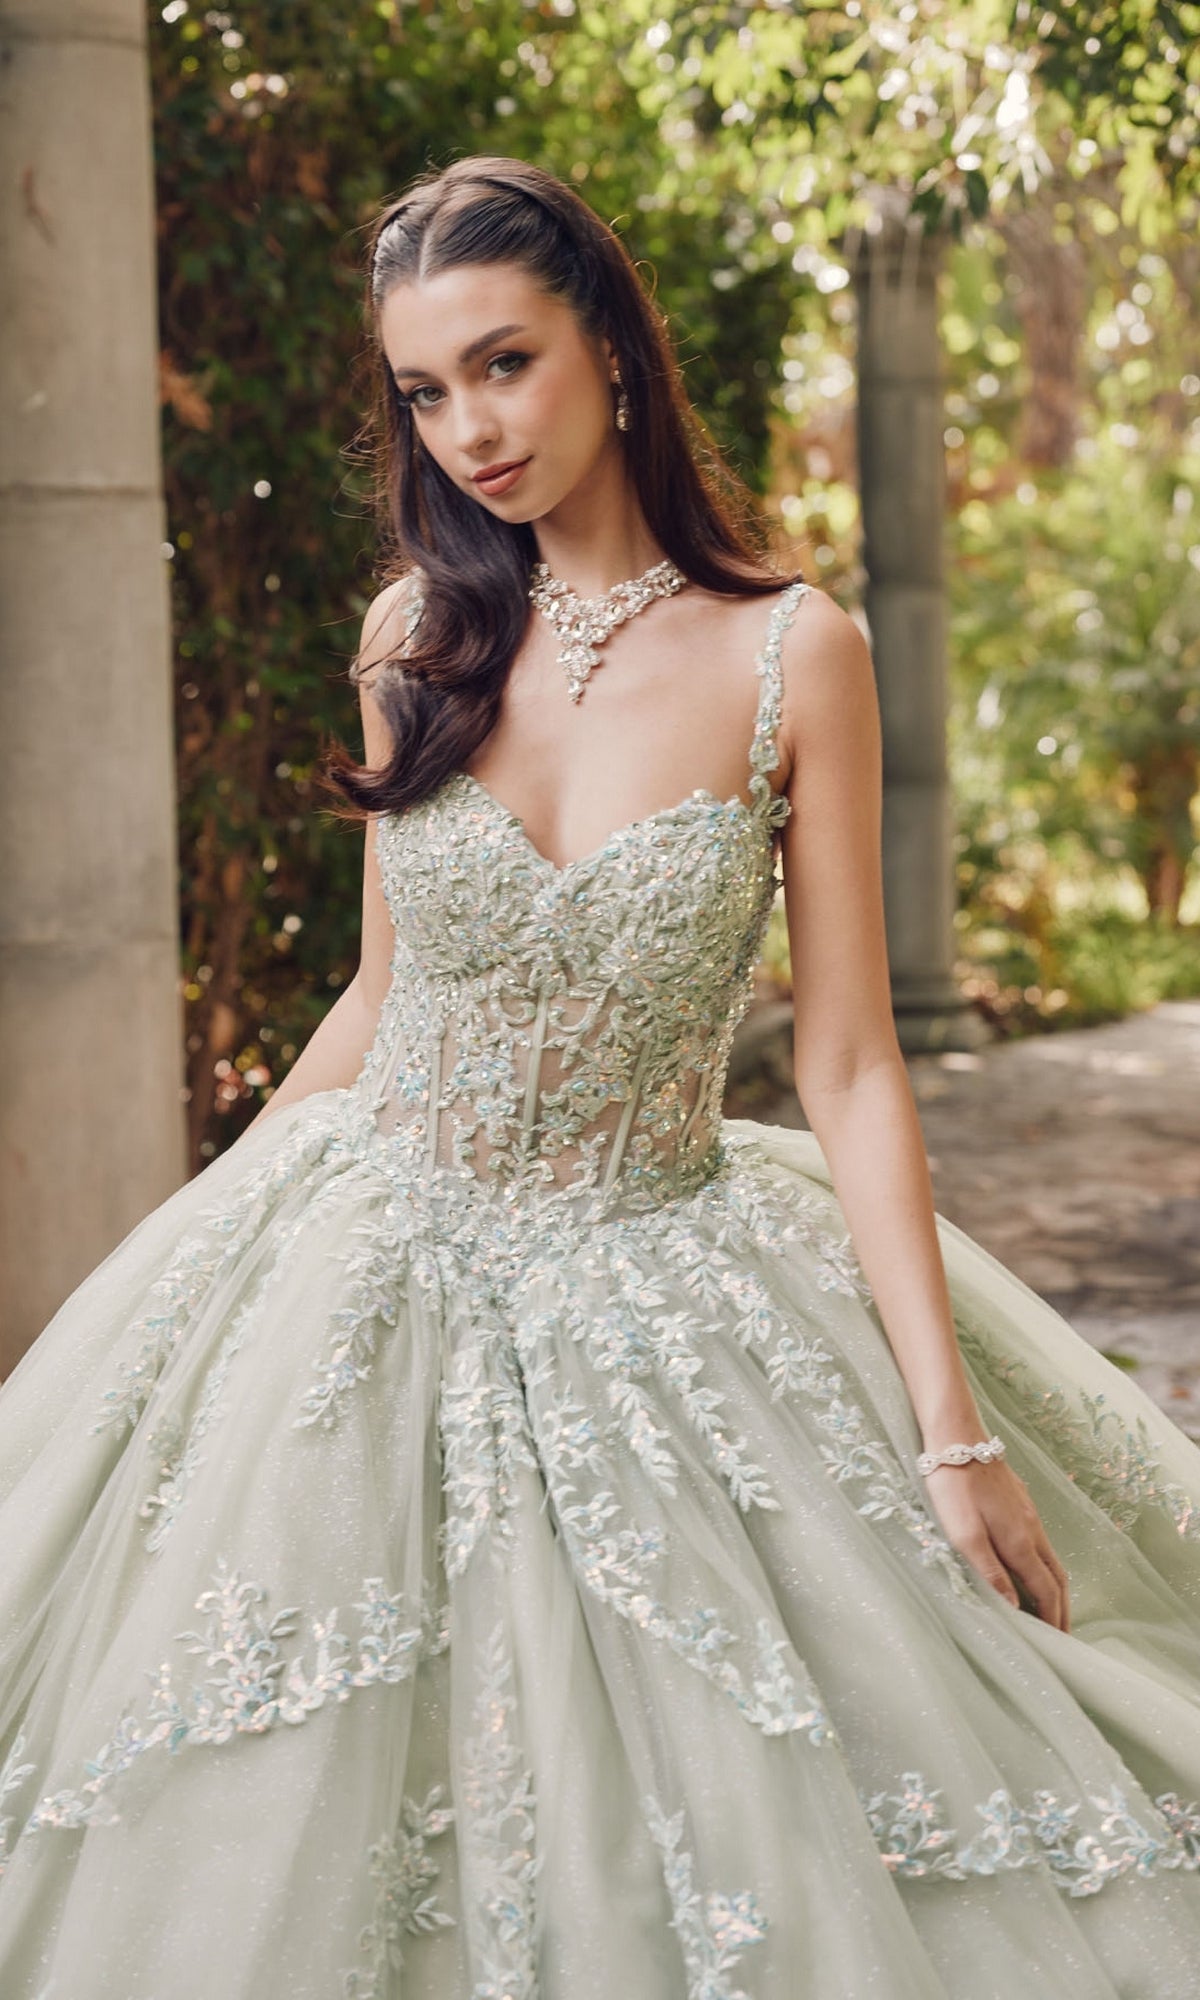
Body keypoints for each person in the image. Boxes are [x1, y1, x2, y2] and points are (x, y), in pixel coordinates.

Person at [0, 153, 1198, 2000]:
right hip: (370, 1252)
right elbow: (380, 995)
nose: (467, 428)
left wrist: (951, 1425)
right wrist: (213, 1234)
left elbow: (855, 1061)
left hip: (665, 1260)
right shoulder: (416, 642)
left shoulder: (796, 653)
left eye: (505, 363)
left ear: (613, 354)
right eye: (423, 390)